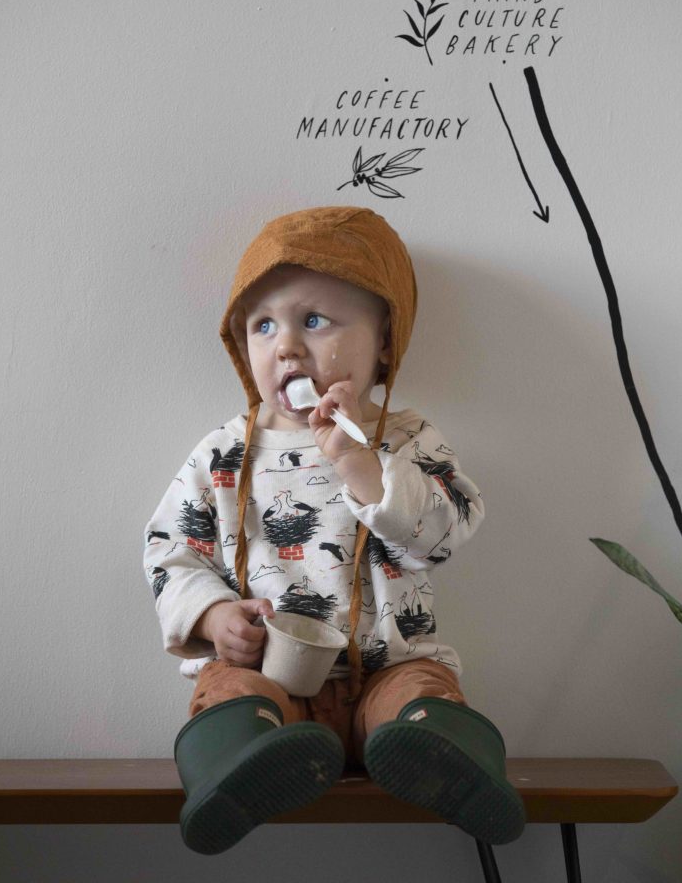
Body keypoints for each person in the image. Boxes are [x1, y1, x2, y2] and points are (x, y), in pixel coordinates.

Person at [143, 205, 525, 855]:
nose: (286, 345)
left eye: (313, 320)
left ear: (382, 342)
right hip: (269, 673)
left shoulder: (405, 438)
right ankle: (235, 768)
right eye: (263, 325)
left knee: (422, 697)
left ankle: (454, 765)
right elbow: (171, 548)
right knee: (232, 694)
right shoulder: (224, 453)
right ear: (242, 346)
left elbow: (447, 529)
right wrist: (211, 618)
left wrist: (361, 466)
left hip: (389, 668)